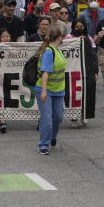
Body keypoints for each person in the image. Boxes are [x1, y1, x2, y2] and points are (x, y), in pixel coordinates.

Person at [35, 27, 67, 155]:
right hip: (46, 90)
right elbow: (45, 73)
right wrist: (43, 91)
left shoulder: (58, 51)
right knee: (47, 118)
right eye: (62, 36)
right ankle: (43, 144)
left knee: (58, 117)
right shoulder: (49, 52)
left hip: (58, 90)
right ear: (59, 37)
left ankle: (52, 136)